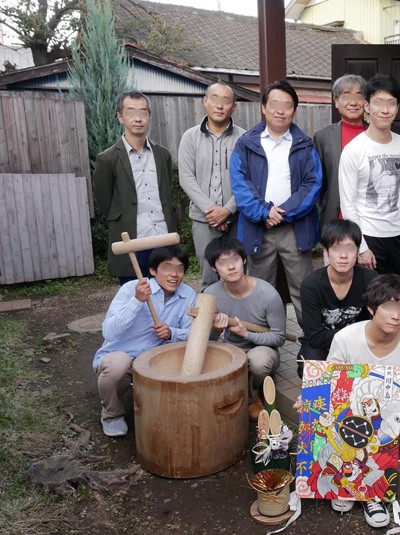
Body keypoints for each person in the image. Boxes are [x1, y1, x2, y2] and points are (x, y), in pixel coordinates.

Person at [325, 274, 400, 527]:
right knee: (334, 414)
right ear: (371, 308)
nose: (396, 315)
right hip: (352, 406)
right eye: (389, 307)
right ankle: (346, 483)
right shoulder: (346, 338)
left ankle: (372, 494)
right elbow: (329, 380)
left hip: (390, 409)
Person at [230, 80, 322, 326]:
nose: (280, 110)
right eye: (274, 104)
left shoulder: (305, 144)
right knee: (259, 289)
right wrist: (264, 212)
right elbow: (240, 184)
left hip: (295, 228)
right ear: (263, 107)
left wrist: (281, 213)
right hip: (259, 227)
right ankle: (261, 338)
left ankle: (311, 338)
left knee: (304, 287)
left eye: (287, 105)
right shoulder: (246, 143)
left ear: (294, 110)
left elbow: (313, 184)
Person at [92, 245, 195, 437]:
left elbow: (193, 333)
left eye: (180, 269)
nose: (174, 274)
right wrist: (137, 301)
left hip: (156, 360)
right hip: (122, 358)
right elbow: (109, 332)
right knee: (118, 365)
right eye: (167, 268)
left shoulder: (188, 294)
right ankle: (112, 413)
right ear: (153, 270)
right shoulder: (131, 288)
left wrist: (171, 333)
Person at [93, 91, 177, 284]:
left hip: (164, 237)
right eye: (131, 112)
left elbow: (166, 192)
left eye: (143, 112)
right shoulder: (108, 159)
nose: (138, 118)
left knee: (167, 294)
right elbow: (105, 203)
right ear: (120, 117)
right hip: (131, 241)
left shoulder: (162, 155)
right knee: (136, 295)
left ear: (149, 116)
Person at [339, 74, 400, 276]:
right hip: (367, 235)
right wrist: (361, 247)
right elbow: (348, 203)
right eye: (379, 103)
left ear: (397, 108)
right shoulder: (354, 150)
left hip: (398, 235)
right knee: (368, 293)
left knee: (398, 291)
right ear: (367, 106)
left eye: (391, 103)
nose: (385, 110)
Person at [203, 235, 286, 421]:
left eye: (235, 260)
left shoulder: (268, 294)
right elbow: (206, 340)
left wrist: (247, 334)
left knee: (257, 362)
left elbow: (279, 338)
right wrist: (216, 330)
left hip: (263, 349)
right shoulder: (211, 294)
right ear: (214, 268)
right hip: (232, 349)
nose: (231, 267)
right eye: (223, 263)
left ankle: (251, 399)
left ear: (244, 260)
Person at [179, 82, 246, 290]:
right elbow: (186, 178)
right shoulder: (190, 137)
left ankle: (237, 313)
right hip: (203, 220)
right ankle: (211, 312)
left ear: (234, 106)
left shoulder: (244, 138)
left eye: (226, 101)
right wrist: (212, 211)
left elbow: (249, 180)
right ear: (205, 101)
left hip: (237, 219)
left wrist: (227, 210)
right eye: (214, 99)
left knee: (238, 274)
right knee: (209, 277)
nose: (219, 105)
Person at [297, 219, 377, 377]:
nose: (343, 255)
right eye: (337, 248)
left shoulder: (370, 279)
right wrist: (356, 335)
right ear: (326, 252)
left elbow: (377, 323)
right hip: (323, 345)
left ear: (358, 251)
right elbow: (314, 337)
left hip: (361, 344)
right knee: (311, 366)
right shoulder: (311, 285)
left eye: (350, 248)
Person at [313, 74, 367, 230]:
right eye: (346, 96)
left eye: (359, 96)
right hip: (335, 218)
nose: (353, 102)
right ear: (336, 101)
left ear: (366, 102)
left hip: (370, 219)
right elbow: (319, 181)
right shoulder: (323, 137)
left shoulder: (377, 135)